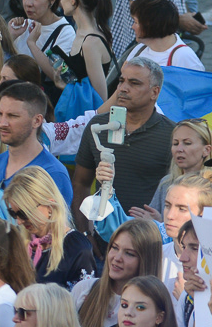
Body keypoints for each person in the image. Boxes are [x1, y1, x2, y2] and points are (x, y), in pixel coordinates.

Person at [71, 58, 177, 223]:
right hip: (102, 233)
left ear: (154, 92)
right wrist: (85, 232)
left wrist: (161, 223)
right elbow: (80, 183)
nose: (123, 88)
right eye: (121, 81)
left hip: (146, 233)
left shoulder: (172, 134)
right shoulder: (98, 126)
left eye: (134, 83)